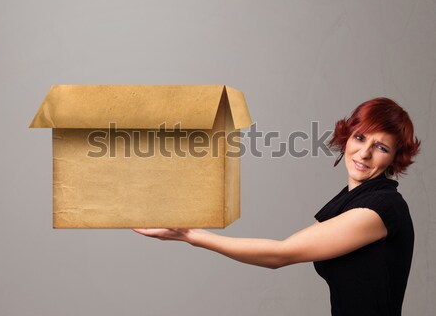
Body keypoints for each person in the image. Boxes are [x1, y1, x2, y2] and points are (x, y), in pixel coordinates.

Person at [133, 97, 420, 316]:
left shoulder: (381, 209)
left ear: (395, 158)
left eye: (381, 147)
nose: (365, 153)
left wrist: (189, 235)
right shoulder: (353, 201)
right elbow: (287, 246)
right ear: (348, 136)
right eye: (360, 137)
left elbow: (281, 253)